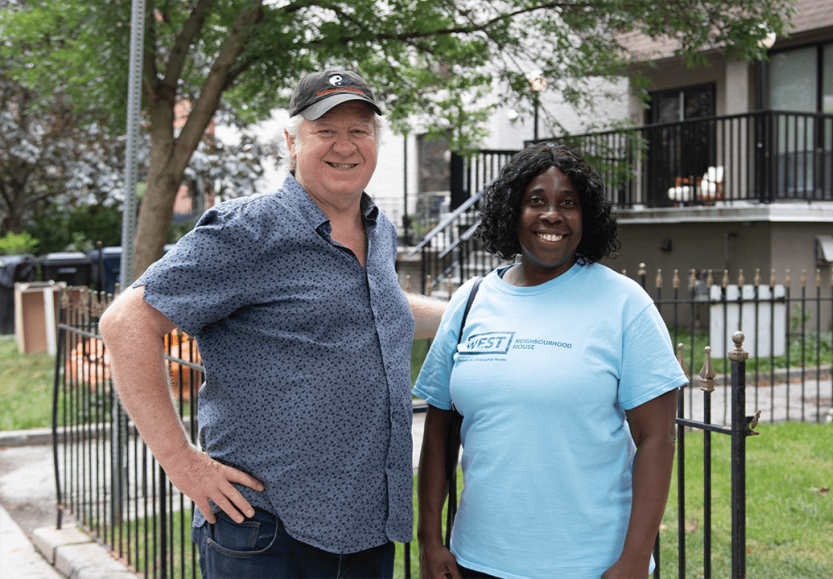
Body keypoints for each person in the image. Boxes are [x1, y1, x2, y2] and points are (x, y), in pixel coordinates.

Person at [100, 68, 446, 579]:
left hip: (367, 528)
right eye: (326, 130)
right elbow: (125, 322)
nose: (345, 146)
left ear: (376, 140)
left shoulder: (378, 227)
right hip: (267, 533)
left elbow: (377, 307)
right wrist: (181, 461)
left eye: (359, 130)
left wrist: (472, 311)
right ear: (292, 140)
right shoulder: (249, 229)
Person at [414, 143, 687, 579]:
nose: (551, 215)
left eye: (568, 203)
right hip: (477, 562)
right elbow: (440, 430)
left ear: (587, 216)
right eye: (535, 201)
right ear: (512, 211)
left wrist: (635, 560)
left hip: (591, 565)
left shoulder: (623, 304)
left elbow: (657, 439)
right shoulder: (471, 302)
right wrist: (430, 539)